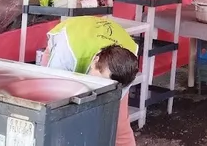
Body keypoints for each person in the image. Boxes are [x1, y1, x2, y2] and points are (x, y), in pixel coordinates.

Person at [39, 16, 139, 146]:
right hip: (72, 40)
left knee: (119, 125)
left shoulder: (128, 67)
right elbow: (51, 100)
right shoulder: (66, 54)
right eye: (100, 83)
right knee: (55, 118)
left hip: (101, 38)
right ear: (96, 60)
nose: (100, 90)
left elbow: (111, 107)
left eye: (110, 86)